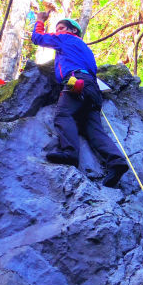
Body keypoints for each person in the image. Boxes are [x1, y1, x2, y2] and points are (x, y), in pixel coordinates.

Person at [31, 11, 128, 188]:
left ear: (72, 31)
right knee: (93, 129)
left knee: (63, 115)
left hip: (76, 81)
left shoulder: (64, 39)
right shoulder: (85, 48)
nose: (58, 31)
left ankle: (70, 153)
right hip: (93, 88)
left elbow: (38, 38)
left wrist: (39, 21)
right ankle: (116, 161)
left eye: (61, 28)